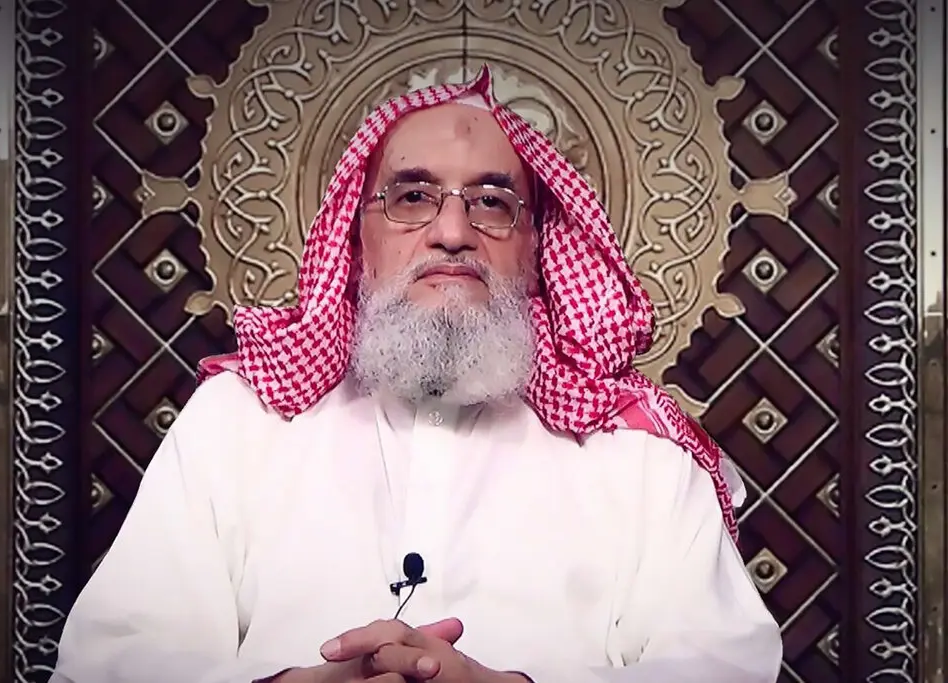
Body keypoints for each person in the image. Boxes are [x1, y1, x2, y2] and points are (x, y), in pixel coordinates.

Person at [52, 67, 782, 683]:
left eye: (492, 202)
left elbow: (723, 665)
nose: (453, 232)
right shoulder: (235, 423)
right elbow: (113, 660)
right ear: (356, 239)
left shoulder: (641, 456)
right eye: (411, 197)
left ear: (535, 248)